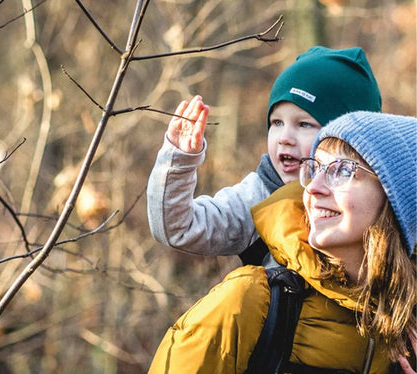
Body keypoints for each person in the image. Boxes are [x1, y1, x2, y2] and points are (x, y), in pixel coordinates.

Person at [147, 111, 417, 373]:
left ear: (399, 200)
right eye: (316, 168)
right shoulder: (250, 301)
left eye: (343, 170)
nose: (312, 187)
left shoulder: (404, 331)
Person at [147, 46, 382, 262]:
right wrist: (179, 161)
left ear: (346, 139)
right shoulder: (259, 195)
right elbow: (179, 229)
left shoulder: (372, 199)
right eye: (276, 122)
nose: (284, 137)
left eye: (304, 124)